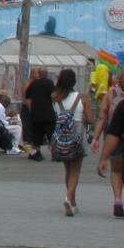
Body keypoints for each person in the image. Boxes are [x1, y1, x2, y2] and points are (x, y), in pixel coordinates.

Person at [92, 63, 124, 220]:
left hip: (114, 137)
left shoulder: (111, 94)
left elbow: (102, 117)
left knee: (116, 171)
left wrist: (96, 138)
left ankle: (117, 200)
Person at [52, 68, 94, 216]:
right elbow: (90, 119)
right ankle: (69, 198)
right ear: (74, 81)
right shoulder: (82, 98)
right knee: (76, 171)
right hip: (77, 134)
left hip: (62, 134)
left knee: (68, 170)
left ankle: (73, 202)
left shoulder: (56, 97)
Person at [24, 67, 57, 161]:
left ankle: (37, 153)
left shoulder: (33, 83)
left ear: (39, 74)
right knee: (51, 134)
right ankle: (54, 153)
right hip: (48, 113)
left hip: (36, 113)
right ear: (46, 74)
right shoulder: (49, 82)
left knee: (37, 134)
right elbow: (54, 95)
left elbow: (27, 95)